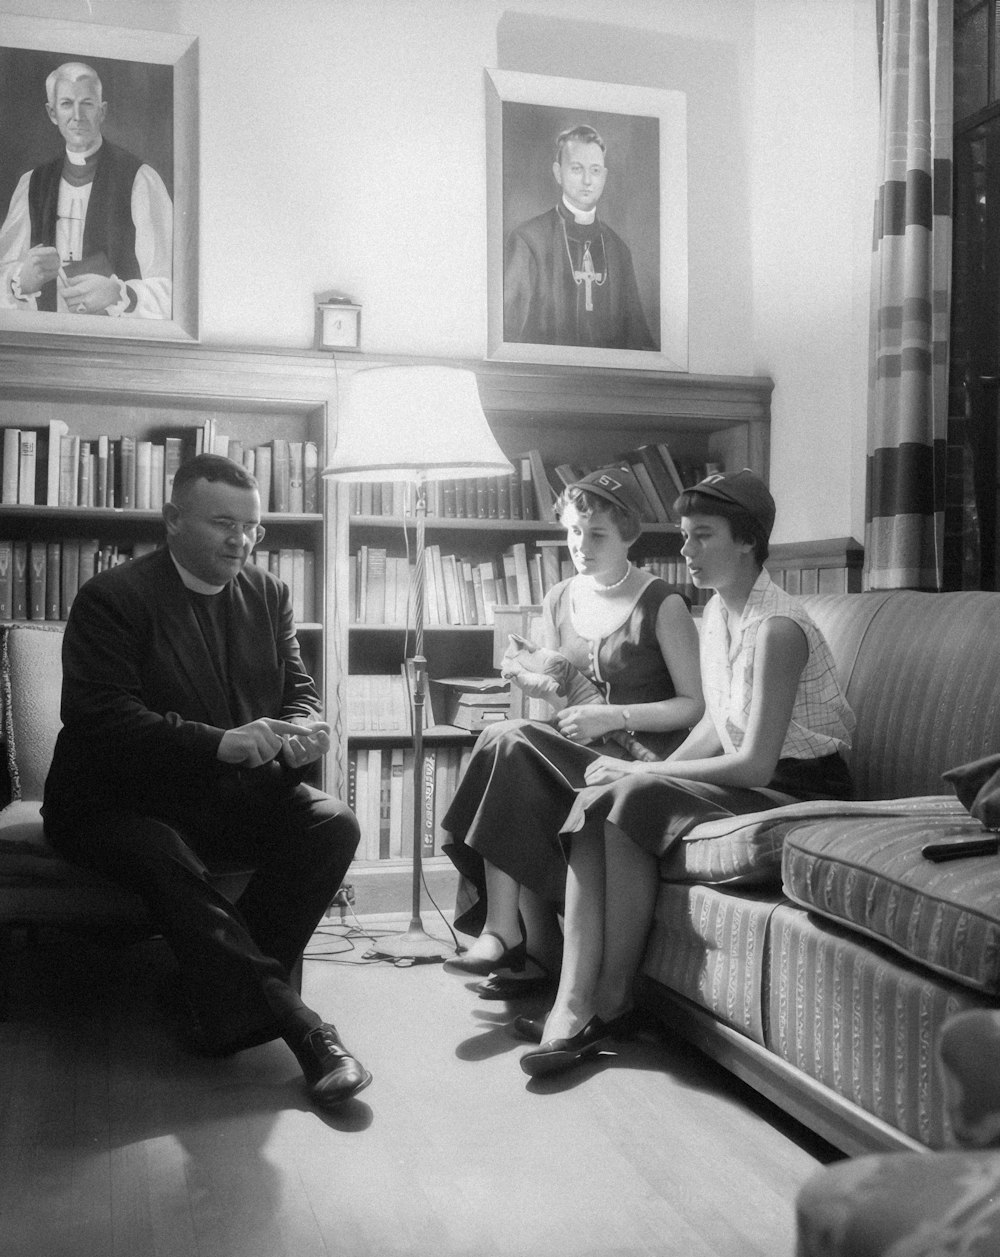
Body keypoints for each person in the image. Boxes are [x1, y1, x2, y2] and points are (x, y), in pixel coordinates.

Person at [42, 454, 371, 1109]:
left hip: (227, 796)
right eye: (224, 522)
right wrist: (219, 742)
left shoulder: (270, 593)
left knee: (334, 820)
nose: (241, 539)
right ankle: (303, 1030)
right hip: (113, 802)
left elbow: (297, 690)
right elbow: (99, 717)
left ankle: (212, 997)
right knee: (162, 846)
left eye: (253, 526)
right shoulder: (112, 597)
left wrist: (305, 725)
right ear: (172, 520)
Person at [517, 470, 856, 1076]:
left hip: (798, 784)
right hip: (755, 773)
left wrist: (642, 776)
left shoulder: (777, 628)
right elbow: (716, 724)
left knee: (632, 792)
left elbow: (754, 760)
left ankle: (614, 999)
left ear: (747, 541)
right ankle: (571, 1003)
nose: (686, 551)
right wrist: (641, 775)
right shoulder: (722, 614)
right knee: (610, 798)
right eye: (683, 536)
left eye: (702, 537)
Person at [441, 465, 703, 997]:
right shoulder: (560, 597)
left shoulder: (662, 603)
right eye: (574, 532)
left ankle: (512, 939)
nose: (581, 545)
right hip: (578, 747)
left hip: (639, 757)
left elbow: (695, 706)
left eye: (597, 534)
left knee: (508, 742)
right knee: (501, 741)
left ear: (629, 534)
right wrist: (539, 687)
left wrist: (616, 716)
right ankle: (514, 935)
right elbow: (564, 693)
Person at [0, 60, 172, 319]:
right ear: (52, 113)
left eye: (87, 104)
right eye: (67, 104)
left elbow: (174, 293)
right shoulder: (32, 183)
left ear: (102, 111)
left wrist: (118, 293)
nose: (77, 116)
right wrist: (20, 281)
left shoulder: (140, 179)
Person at [503, 124, 657, 351]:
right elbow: (508, 339)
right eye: (577, 169)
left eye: (595, 170)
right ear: (558, 173)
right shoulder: (528, 241)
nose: (587, 181)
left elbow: (640, 345)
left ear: (604, 177)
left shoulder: (617, 250)